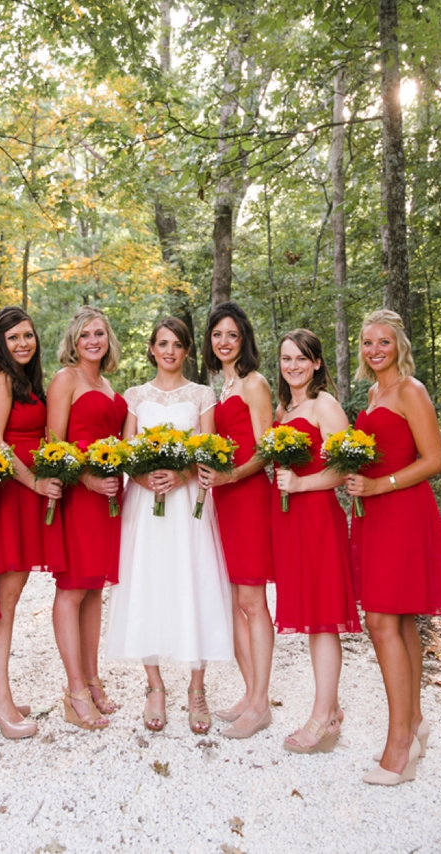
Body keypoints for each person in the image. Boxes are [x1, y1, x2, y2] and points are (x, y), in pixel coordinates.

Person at [106, 317, 233, 733]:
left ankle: (197, 689)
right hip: (145, 502)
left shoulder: (201, 394)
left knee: (193, 581)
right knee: (148, 582)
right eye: (162, 343)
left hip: (188, 503)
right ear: (151, 348)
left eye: (177, 344)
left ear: (188, 350)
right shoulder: (135, 395)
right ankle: (155, 686)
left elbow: (211, 450)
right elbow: (124, 451)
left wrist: (180, 476)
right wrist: (142, 476)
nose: (169, 351)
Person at [346, 309, 441, 786]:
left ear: (399, 345)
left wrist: (379, 485)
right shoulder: (373, 393)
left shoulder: (411, 390)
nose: (374, 350)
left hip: (403, 512)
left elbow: (434, 460)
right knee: (401, 619)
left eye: (383, 342)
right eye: (368, 342)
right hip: (373, 515)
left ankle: (399, 748)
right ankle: (413, 722)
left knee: (381, 620)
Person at [0, 306, 64, 739]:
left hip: (25, 494)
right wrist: (35, 482)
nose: (23, 343)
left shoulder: (22, 380)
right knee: (4, 600)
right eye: (13, 338)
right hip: (10, 494)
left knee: (10, 594)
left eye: (28, 335)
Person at [272, 329, 361, 754]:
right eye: (287, 359)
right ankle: (334, 707)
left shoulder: (325, 405)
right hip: (291, 525)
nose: (293, 366)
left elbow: (347, 468)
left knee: (323, 619)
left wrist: (302, 484)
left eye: (301, 359)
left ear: (317, 363)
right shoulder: (285, 408)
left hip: (318, 520)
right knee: (311, 618)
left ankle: (322, 716)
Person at [46, 306, 127, 730]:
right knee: (73, 589)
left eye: (99, 333)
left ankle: (93, 680)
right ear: (74, 342)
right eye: (84, 335)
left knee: (94, 590)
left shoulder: (108, 384)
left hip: (109, 500)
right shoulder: (66, 380)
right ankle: (74, 690)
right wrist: (90, 481)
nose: (93, 340)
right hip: (81, 496)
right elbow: (53, 445)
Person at [198, 301, 274, 739]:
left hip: (247, 497)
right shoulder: (220, 387)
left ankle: (261, 704)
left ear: (243, 338)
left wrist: (232, 474)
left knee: (252, 602)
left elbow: (264, 450)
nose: (223, 341)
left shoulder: (253, 383)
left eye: (231, 334)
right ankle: (250, 693)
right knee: (231, 604)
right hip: (222, 502)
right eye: (217, 335)